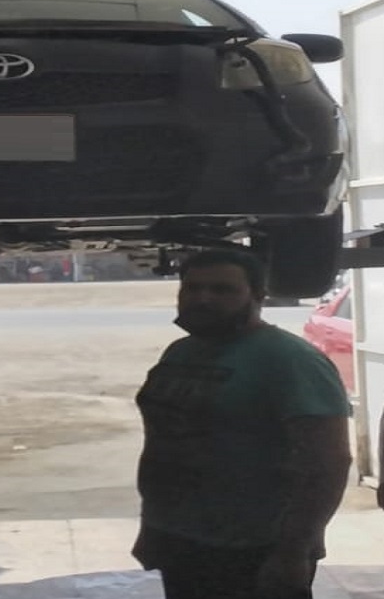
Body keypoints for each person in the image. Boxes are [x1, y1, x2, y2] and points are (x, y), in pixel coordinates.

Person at [132, 249, 352, 599]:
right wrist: (152, 526)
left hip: (255, 548)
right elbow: (164, 442)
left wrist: (293, 551)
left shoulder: (290, 361)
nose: (203, 298)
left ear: (257, 296)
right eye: (193, 288)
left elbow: (328, 463)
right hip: (182, 539)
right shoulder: (181, 352)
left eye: (222, 290)